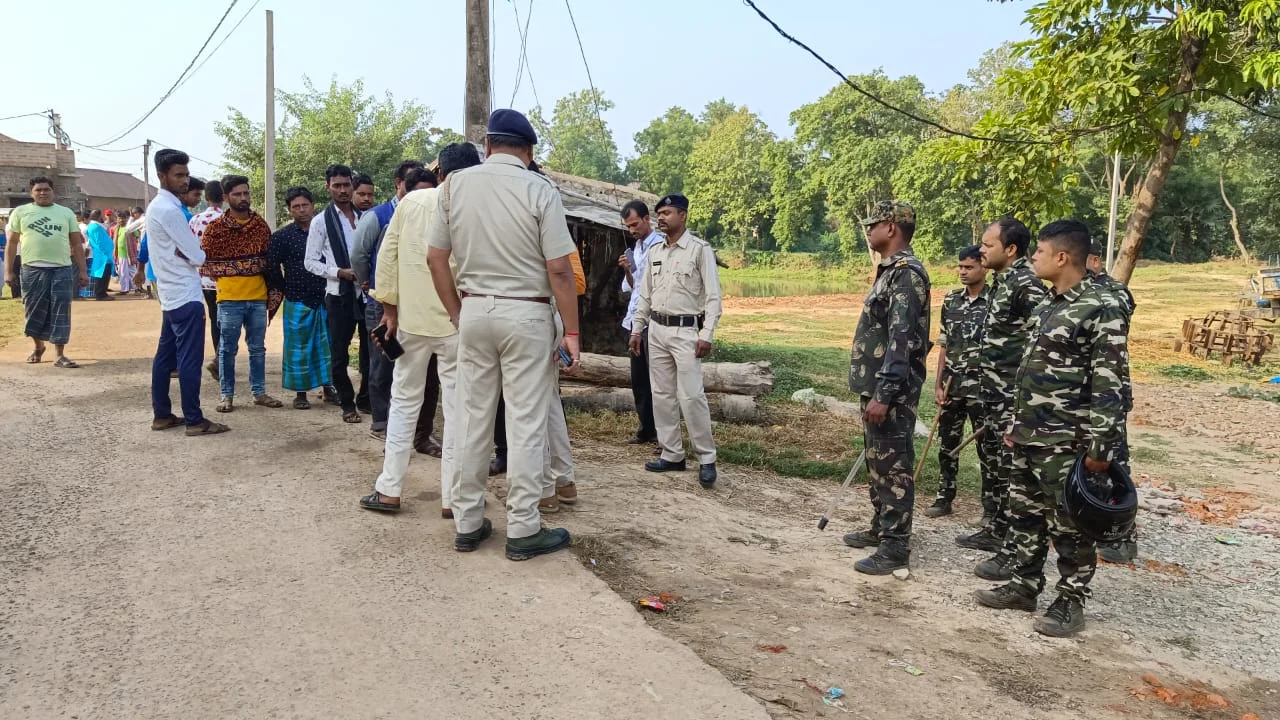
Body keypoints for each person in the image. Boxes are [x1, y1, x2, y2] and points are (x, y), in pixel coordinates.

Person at [427, 109, 580, 560]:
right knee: (526, 419)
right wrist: (571, 331)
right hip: (527, 315)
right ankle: (524, 528)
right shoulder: (540, 190)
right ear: (529, 152)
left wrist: (459, 312)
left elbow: (437, 259)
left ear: (488, 146)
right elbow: (558, 269)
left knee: (471, 418)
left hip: (474, 309)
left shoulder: (454, 185)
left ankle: (469, 522)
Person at [974, 220, 1128, 637]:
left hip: (1067, 439)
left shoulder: (1100, 307)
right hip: (1028, 433)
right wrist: (1014, 421)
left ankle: (1070, 600)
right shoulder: (1048, 304)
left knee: (1070, 525)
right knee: (1025, 514)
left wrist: (1101, 446)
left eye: (1039, 252)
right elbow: (1028, 372)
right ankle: (1025, 585)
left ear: (1062, 257)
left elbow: (1110, 380)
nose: (1033, 258)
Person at [359, 146, 478, 516]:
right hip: (459, 323)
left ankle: (390, 489)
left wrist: (390, 312)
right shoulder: (477, 204)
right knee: (459, 411)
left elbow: (386, 258)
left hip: (411, 321)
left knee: (404, 402)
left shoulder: (412, 202)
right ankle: (454, 499)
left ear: (439, 171)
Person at [839, 201, 931, 575]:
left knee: (893, 466)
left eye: (872, 224)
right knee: (878, 461)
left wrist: (885, 393)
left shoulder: (906, 274)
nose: (868, 229)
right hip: (878, 386)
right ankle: (881, 527)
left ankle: (895, 547)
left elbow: (902, 339)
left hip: (890, 391)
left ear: (891, 227)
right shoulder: (889, 271)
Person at [959, 218, 1048, 584]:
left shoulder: (1026, 284)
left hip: (1012, 399)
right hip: (993, 397)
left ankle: (1015, 553)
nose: (981, 250)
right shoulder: (1004, 281)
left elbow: (1042, 337)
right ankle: (997, 530)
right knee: (994, 468)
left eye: (988, 245)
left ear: (1010, 249)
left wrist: (1021, 396)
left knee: (1014, 477)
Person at [628, 194, 723, 488]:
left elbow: (713, 297)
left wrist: (706, 334)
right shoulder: (656, 251)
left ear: (683, 216)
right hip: (655, 328)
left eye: (667, 212)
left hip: (685, 331)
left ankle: (707, 459)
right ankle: (672, 454)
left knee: (692, 396)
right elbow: (644, 294)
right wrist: (636, 329)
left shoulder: (699, 250)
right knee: (662, 394)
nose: (662, 217)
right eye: (659, 213)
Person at [145, 149, 229, 436]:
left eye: (186, 175)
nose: (184, 181)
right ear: (162, 176)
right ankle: (194, 420)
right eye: (178, 175)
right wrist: (192, 253)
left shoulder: (157, 207)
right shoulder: (170, 211)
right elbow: (198, 256)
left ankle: (162, 415)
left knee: (164, 358)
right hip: (185, 294)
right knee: (189, 361)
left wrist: (188, 253)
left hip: (170, 295)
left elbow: (187, 253)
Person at [352, 161, 428, 439]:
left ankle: (411, 426)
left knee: (410, 365)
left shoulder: (430, 215)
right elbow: (359, 255)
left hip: (416, 303)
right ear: (400, 184)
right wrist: (368, 283)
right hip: (382, 303)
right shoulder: (378, 216)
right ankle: (381, 422)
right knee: (383, 361)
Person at [200, 174, 283, 412]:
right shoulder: (215, 230)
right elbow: (207, 263)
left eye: (246, 193)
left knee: (257, 348)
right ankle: (226, 396)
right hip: (228, 300)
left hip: (257, 298)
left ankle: (259, 393)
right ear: (226, 197)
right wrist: (234, 272)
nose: (243, 198)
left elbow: (269, 261)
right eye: (237, 194)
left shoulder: (260, 227)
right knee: (227, 349)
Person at [927, 245, 992, 518]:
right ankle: (944, 497)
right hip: (953, 385)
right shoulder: (952, 301)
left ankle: (991, 508)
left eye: (969, 267)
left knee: (988, 450)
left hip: (982, 388)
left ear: (984, 268)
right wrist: (939, 383)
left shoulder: (996, 302)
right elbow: (944, 346)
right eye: (960, 267)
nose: (963, 272)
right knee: (947, 445)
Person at [1087, 244, 1138, 564]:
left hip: (1109, 394)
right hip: (1084, 396)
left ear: (1093, 260)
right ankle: (1094, 527)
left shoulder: (1114, 293)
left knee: (1112, 463)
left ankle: (1124, 536)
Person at [3, 177, 89, 367]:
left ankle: (59, 354)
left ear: (53, 191)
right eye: (38, 190)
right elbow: (12, 243)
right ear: (31, 193)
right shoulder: (20, 212)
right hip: (31, 269)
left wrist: (83, 271)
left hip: (62, 269)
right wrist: (8, 272)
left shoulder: (65, 213)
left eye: (46, 189)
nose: (42, 193)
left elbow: (76, 243)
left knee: (61, 310)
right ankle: (38, 346)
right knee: (33, 310)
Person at [304, 164, 367, 423]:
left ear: (352, 184)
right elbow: (310, 262)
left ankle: (366, 399)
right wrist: (339, 272)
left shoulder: (365, 217)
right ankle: (347, 403)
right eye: (336, 186)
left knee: (370, 351)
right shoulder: (321, 221)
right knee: (339, 352)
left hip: (366, 294)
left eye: (346, 185)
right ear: (327, 187)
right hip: (339, 294)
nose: (342, 190)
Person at [267, 187, 332, 409]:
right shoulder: (281, 237)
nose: (301, 210)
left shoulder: (328, 231)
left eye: (305, 205)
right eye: (296, 207)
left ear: (313, 206)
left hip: (326, 297)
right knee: (298, 349)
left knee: (328, 346)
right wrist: (284, 287)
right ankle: (301, 394)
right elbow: (272, 267)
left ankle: (329, 389)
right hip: (296, 299)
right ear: (289, 210)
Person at [618, 199, 663, 446]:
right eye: (628, 226)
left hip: (653, 321)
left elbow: (655, 288)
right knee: (639, 380)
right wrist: (627, 269)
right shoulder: (636, 248)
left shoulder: (659, 245)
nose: (632, 230)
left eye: (635, 224)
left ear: (647, 219)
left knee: (657, 379)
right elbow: (635, 287)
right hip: (635, 321)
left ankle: (662, 433)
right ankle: (646, 428)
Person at [189, 180, 225, 379]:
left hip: (204, 279)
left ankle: (219, 359)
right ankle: (221, 359)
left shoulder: (195, 220)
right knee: (228, 321)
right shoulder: (227, 218)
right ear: (224, 196)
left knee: (214, 319)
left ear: (206, 197)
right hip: (225, 279)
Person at [85, 210, 117, 301]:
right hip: (103, 255)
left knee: (104, 274)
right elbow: (100, 242)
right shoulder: (95, 227)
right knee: (103, 275)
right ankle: (100, 294)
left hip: (102, 254)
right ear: (98, 217)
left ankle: (102, 292)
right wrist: (105, 252)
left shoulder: (93, 226)